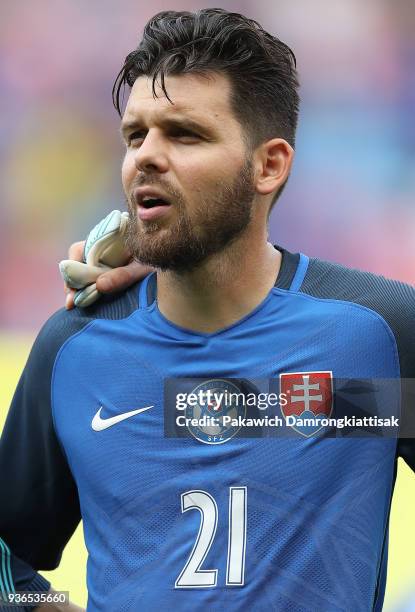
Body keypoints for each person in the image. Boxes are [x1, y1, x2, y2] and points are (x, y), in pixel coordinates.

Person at [1, 8, 414, 612]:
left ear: (268, 166)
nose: (147, 155)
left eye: (185, 134)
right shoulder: (75, 349)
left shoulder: (376, 335)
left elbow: (316, 406)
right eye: (135, 135)